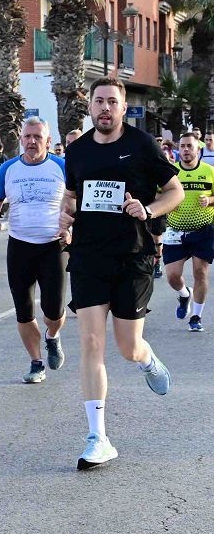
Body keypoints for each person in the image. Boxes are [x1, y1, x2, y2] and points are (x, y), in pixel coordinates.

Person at [59, 77, 184, 470]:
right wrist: (66, 215)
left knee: (127, 346)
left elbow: (175, 192)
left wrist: (147, 210)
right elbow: (72, 196)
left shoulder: (141, 145)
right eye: (99, 102)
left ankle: (146, 360)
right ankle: (98, 437)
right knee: (91, 343)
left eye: (112, 101)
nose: (105, 108)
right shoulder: (76, 151)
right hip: (88, 256)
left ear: (123, 105)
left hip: (132, 256)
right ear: (91, 106)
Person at [0, 118, 68, 383]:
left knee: (53, 311)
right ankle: (36, 363)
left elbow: (75, 204)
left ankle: (52, 336)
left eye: (37, 137)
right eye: (28, 136)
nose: (32, 141)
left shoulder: (62, 167)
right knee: (23, 310)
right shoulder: (8, 169)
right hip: (19, 246)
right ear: (21, 139)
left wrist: (70, 228)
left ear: (48, 141)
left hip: (53, 246)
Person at [162, 132, 214, 332]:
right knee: (173, 277)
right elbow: (159, 194)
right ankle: (185, 295)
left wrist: (209, 200)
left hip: (203, 229)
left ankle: (196, 317)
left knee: (200, 273)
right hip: (175, 230)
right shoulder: (170, 172)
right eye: (182, 146)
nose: (185, 150)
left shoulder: (209, 172)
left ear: (198, 149)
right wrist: (167, 204)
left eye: (189, 146)